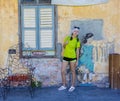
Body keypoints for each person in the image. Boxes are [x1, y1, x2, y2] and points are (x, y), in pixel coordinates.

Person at [58, 26, 81, 92]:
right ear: (72, 31)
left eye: (77, 31)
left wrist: (77, 60)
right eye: (75, 31)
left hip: (73, 58)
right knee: (62, 71)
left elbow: (77, 51)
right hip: (65, 57)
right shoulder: (67, 38)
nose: (76, 32)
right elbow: (64, 46)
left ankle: (73, 86)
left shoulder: (77, 40)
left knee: (73, 71)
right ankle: (64, 85)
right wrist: (65, 43)